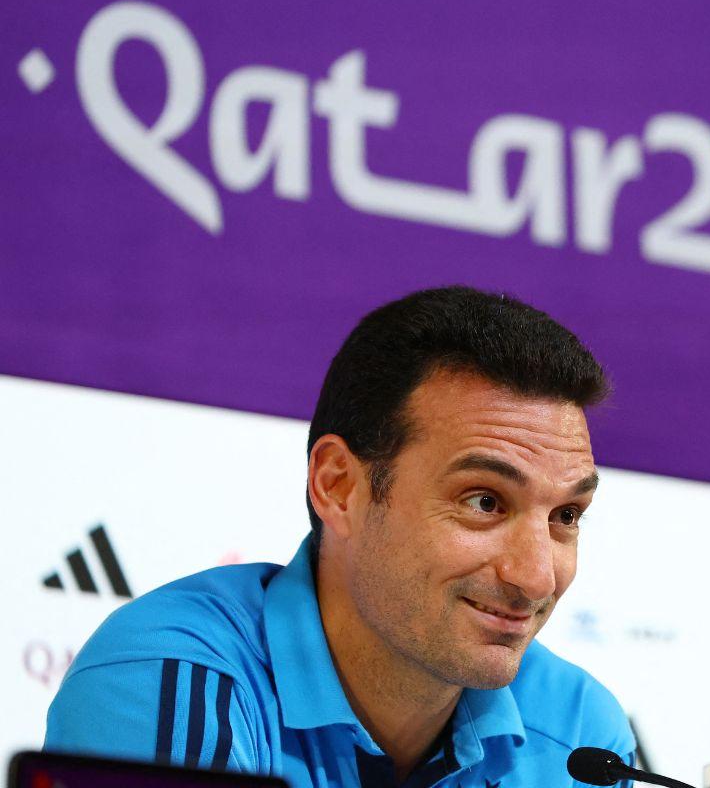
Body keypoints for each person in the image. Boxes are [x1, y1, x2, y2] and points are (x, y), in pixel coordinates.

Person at [44, 287, 635, 788]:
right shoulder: (173, 677)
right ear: (339, 487)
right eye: (484, 502)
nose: (535, 576)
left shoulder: (579, 735)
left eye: (566, 516)